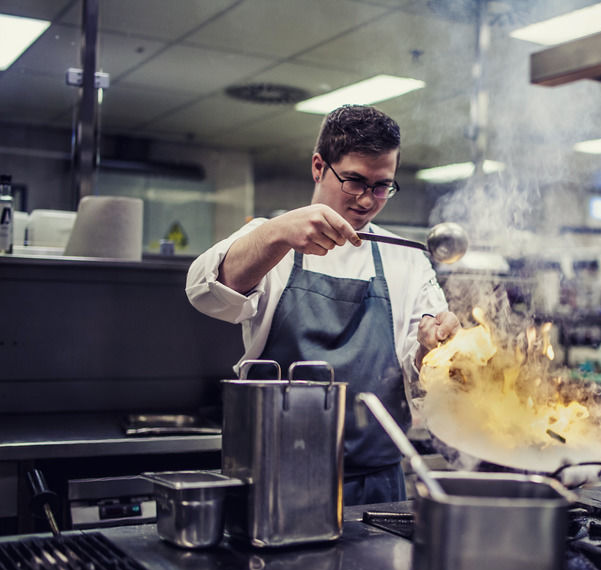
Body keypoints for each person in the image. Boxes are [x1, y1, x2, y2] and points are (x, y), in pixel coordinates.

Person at [186, 104, 459, 505]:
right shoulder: (270, 239)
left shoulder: (406, 258)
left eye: (382, 185)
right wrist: (277, 234)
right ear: (319, 167)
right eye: (354, 181)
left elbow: (422, 371)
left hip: (378, 487)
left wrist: (432, 345)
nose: (367, 200)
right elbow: (204, 291)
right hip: (277, 484)